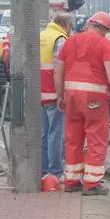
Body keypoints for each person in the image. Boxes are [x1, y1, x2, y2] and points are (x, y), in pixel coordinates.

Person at [54, 11, 110, 196]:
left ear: (90, 23)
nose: (105, 35)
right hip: (94, 100)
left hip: (71, 98)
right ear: (103, 28)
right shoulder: (104, 44)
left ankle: (71, 181)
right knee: (96, 139)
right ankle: (91, 184)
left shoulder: (70, 41)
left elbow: (58, 70)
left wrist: (59, 95)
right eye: (106, 31)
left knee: (73, 138)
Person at [40, 12, 74, 183]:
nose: (71, 31)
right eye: (71, 27)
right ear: (65, 25)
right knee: (55, 133)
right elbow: (60, 70)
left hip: (39, 93)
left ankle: (43, 170)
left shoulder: (42, 35)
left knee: (44, 134)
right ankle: (55, 172)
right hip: (53, 93)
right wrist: (62, 94)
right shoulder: (60, 39)